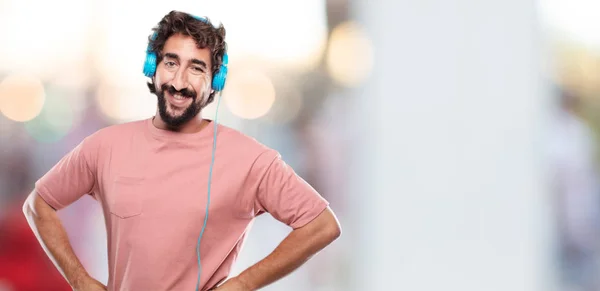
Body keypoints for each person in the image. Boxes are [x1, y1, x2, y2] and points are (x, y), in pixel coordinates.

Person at [22, 10, 341, 291]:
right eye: (171, 62)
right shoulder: (105, 146)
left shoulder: (250, 159)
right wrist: (79, 279)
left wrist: (244, 283)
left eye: (196, 68)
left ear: (215, 80)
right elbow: (39, 205)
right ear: (153, 67)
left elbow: (321, 225)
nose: (179, 81)